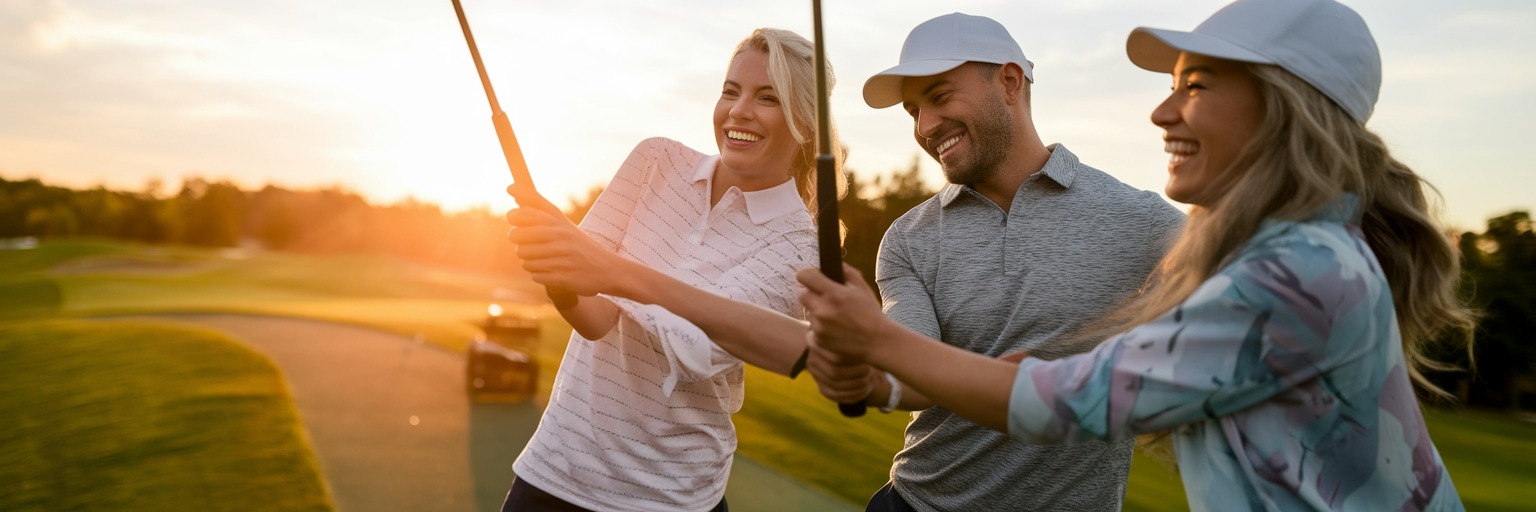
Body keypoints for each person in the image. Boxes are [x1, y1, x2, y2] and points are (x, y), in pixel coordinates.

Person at [798, 0, 1473, 510]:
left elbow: (1070, 399)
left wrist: (875, 340)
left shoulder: (1292, 270)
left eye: (1196, 85)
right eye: (913, 109)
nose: (1160, 111)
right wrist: (883, 366)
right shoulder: (1305, 250)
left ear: (1282, 108)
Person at [804, 12, 1185, 512]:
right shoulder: (907, 240)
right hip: (917, 503)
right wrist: (875, 380)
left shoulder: (1146, 222)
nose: (924, 126)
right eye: (913, 110)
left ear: (1009, 81)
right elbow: (916, 366)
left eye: (939, 97)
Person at [498, 28, 844, 512]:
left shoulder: (798, 246)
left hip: (668, 496)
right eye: (731, 91)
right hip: (557, 469)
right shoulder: (654, 159)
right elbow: (595, 320)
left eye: (768, 97)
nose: (739, 110)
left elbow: (694, 351)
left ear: (806, 121)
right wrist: (557, 270)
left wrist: (606, 269)